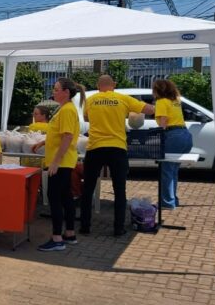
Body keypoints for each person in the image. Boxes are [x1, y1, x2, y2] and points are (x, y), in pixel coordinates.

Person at [79, 74, 155, 237]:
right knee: (120, 191)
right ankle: (118, 229)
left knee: (88, 189)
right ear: (113, 84)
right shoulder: (123, 99)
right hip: (117, 148)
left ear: (98, 86)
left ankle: (85, 226)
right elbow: (149, 109)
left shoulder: (90, 100)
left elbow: (86, 117)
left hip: (95, 147)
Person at [30, 78, 85, 251]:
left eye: (56, 89)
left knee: (54, 198)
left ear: (66, 92)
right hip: (63, 161)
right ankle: (69, 233)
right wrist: (43, 143)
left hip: (61, 162)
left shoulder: (67, 110)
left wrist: (55, 162)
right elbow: (59, 134)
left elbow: (67, 137)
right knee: (66, 197)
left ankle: (57, 238)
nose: (53, 92)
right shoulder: (65, 108)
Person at [152, 79, 193, 209]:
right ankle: (172, 199)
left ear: (158, 90)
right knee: (173, 170)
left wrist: (157, 135)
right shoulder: (176, 101)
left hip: (173, 135)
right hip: (185, 135)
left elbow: (163, 122)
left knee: (166, 170)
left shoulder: (161, 101)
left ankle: (167, 203)